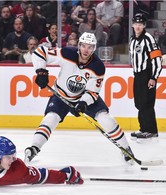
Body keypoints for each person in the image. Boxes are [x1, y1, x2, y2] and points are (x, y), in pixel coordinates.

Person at [24, 32, 134, 164]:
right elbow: (39, 52)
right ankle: (34, 148)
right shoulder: (66, 53)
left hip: (83, 97)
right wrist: (40, 71)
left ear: (94, 48)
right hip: (61, 95)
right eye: (84, 46)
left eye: (90, 47)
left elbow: (93, 92)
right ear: (79, 45)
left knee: (106, 119)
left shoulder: (98, 66)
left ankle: (126, 149)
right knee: (50, 118)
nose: (86, 50)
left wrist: (83, 102)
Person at [129, 13, 162, 139]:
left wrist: (154, 77)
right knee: (139, 103)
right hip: (137, 75)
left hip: (147, 75)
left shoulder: (148, 39)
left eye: (140, 24)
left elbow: (157, 59)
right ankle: (143, 128)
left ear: (144, 26)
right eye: (136, 24)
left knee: (147, 103)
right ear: (132, 25)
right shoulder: (132, 39)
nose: (138, 26)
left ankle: (151, 130)